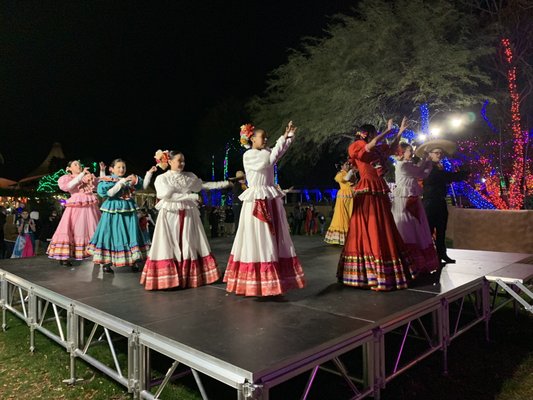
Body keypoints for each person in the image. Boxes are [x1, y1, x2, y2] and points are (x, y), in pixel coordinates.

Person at [224, 121, 305, 296]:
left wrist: (288, 136)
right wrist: (282, 138)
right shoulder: (250, 155)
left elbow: (279, 152)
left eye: (267, 137)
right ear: (252, 139)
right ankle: (258, 280)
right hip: (257, 199)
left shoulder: (265, 152)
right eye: (263, 137)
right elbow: (270, 159)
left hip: (268, 197)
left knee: (273, 236)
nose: (266, 139)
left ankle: (272, 280)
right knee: (260, 237)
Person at [337, 118, 413, 291]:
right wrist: (387, 131)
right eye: (375, 133)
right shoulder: (356, 146)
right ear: (368, 134)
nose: (377, 136)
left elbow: (392, 148)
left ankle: (382, 269)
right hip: (366, 189)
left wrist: (399, 132)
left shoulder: (378, 149)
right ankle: (369, 270)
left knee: (383, 226)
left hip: (378, 188)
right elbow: (368, 148)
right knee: (368, 226)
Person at [140, 150, 230, 290]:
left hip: (188, 212)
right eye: (178, 160)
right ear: (169, 161)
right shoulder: (162, 178)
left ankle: (187, 275)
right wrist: (190, 197)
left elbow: (203, 185)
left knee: (188, 241)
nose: (182, 163)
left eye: (183, 160)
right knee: (170, 241)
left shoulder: (189, 176)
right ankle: (170, 277)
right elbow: (166, 195)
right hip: (170, 212)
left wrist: (224, 183)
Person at [88, 158, 149, 273]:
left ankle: (133, 260)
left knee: (131, 232)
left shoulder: (128, 179)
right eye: (119, 167)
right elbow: (109, 193)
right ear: (112, 169)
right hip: (112, 208)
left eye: (123, 167)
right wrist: (120, 182)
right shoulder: (108, 180)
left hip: (127, 208)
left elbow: (143, 186)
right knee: (110, 233)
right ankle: (107, 261)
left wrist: (149, 173)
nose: (121, 169)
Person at [415, 139, 468, 265]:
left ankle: (441, 253)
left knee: (441, 229)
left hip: (440, 202)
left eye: (440, 153)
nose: (439, 155)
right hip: (430, 203)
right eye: (436, 152)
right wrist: (462, 174)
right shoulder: (428, 167)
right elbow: (445, 177)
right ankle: (427, 256)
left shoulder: (439, 167)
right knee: (428, 230)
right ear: (430, 154)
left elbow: (446, 177)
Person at [392, 143, 440, 274]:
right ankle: (410, 261)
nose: (411, 153)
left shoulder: (406, 165)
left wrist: (425, 159)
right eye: (409, 151)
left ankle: (415, 262)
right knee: (409, 227)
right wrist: (427, 161)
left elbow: (419, 170)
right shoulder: (403, 166)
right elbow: (421, 174)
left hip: (410, 197)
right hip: (405, 199)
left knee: (414, 226)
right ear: (401, 152)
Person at [47, 161, 104, 266]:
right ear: (68, 168)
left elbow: (101, 186)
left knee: (94, 228)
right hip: (76, 206)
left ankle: (95, 253)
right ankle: (65, 256)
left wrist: (102, 171)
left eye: (79, 164)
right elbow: (68, 187)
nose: (79, 166)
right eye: (75, 164)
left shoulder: (88, 176)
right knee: (74, 228)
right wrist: (82, 175)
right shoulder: (67, 178)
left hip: (90, 206)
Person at [324, 161, 356, 245]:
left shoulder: (351, 174)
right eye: (346, 164)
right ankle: (344, 238)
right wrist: (352, 171)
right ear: (341, 166)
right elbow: (345, 179)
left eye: (348, 164)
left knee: (351, 216)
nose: (348, 165)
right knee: (343, 216)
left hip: (352, 197)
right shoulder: (340, 174)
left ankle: (351, 236)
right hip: (343, 197)